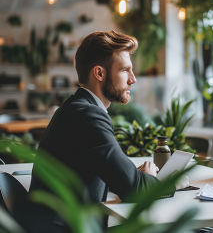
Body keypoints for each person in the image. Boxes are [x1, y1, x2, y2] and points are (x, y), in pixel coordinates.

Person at [28, 31, 174, 233]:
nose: (133, 79)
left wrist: (132, 175)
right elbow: (132, 189)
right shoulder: (87, 115)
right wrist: (165, 181)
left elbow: (114, 174)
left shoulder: (77, 107)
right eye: (125, 70)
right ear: (99, 73)